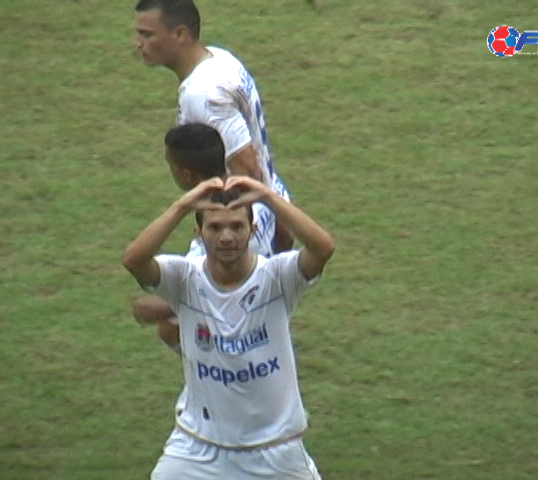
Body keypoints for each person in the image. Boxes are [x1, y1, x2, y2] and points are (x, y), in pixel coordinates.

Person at [122, 175, 335, 479]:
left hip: (275, 452)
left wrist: (268, 197)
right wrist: (183, 205)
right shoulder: (183, 278)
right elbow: (134, 260)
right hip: (198, 448)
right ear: (199, 232)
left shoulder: (276, 277)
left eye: (237, 226)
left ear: (253, 229)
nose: (226, 237)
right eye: (215, 227)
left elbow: (323, 248)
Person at [132, 0, 293, 251]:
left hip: (241, 232)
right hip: (266, 207)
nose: (138, 43)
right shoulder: (220, 58)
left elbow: (247, 169)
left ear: (180, 34)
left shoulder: (204, 94)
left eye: (147, 34)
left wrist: (281, 237)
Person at [139, 122, 277, 350]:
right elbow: (284, 231)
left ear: (185, 174)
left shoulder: (209, 246)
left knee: (168, 328)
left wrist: (158, 307)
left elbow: (196, 289)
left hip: (239, 328)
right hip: (265, 303)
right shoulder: (258, 194)